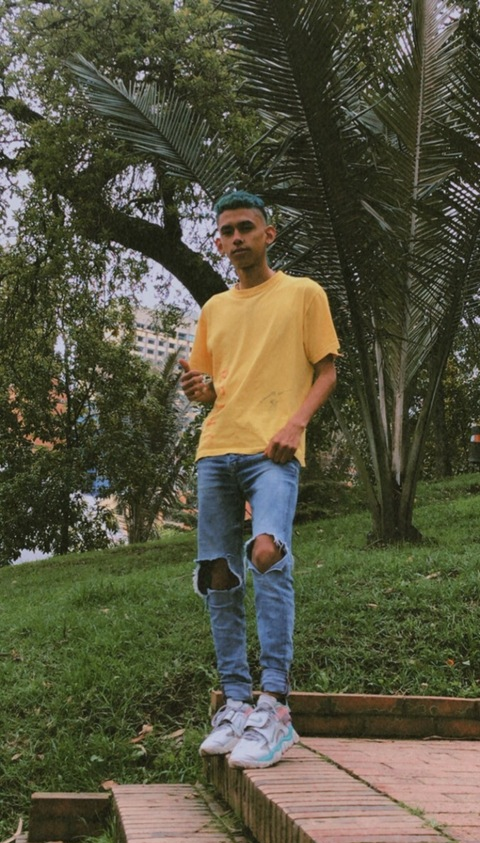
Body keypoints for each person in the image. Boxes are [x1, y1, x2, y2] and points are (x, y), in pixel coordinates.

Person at [180, 190, 340, 769]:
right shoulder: (215, 309)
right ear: (219, 243)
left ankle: (274, 705)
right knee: (218, 572)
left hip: (273, 450)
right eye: (227, 232)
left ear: (268, 234)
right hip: (216, 449)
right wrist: (200, 390)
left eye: (246, 227)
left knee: (268, 552)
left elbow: (327, 371)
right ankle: (234, 704)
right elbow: (212, 387)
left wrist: (295, 425)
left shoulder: (303, 293)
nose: (236, 238)